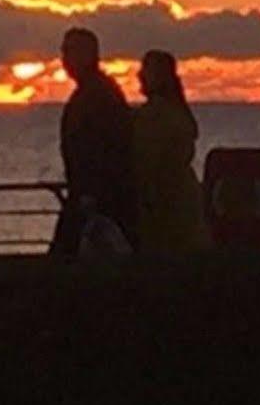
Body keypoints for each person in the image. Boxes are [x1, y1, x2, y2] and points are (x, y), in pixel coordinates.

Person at [50, 26, 137, 256]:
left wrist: (91, 193)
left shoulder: (96, 95)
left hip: (95, 196)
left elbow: (105, 146)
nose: (64, 59)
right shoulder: (98, 91)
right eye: (63, 51)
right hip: (91, 194)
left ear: (87, 54)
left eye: (69, 51)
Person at [133, 49, 210, 254]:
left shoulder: (155, 116)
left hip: (165, 204)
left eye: (145, 70)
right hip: (183, 201)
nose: (139, 75)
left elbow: (146, 160)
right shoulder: (178, 113)